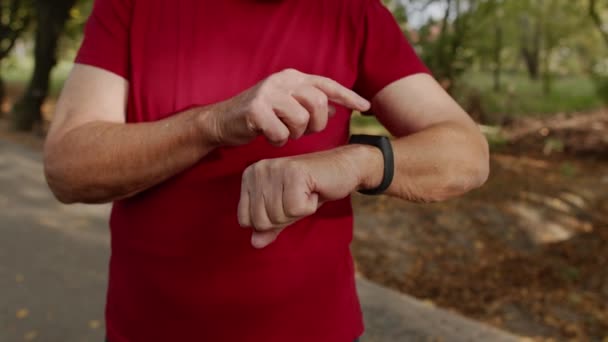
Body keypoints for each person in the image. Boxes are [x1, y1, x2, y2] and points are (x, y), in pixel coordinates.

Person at [43, 0, 490, 341]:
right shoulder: (132, 6)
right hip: (146, 329)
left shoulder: (353, 11)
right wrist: (215, 122)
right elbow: (67, 165)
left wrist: (357, 162)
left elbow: (466, 154)